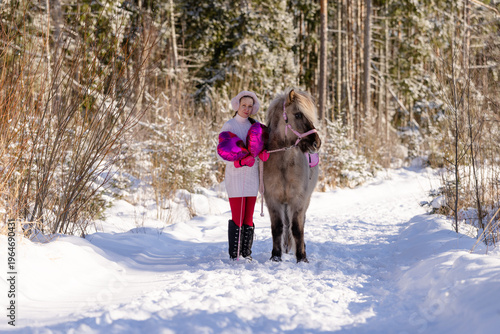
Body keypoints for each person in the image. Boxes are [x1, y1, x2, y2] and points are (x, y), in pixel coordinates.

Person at [217, 90, 269, 260]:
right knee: (237, 216)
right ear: (237, 105)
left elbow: (259, 150)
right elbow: (221, 154)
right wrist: (239, 162)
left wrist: (263, 155)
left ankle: (246, 254)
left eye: (250, 106)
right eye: (243, 105)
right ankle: (235, 254)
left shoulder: (256, 126)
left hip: (252, 177)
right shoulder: (229, 126)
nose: (246, 109)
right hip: (235, 177)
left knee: (248, 217)